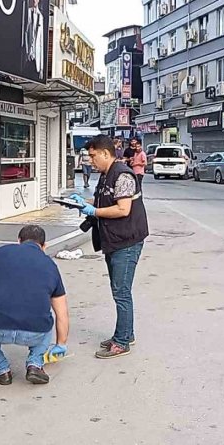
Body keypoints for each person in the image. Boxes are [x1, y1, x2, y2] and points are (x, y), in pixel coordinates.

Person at [70, 135, 148, 359]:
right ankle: (125, 333)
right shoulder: (105, 175)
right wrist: (84, 203)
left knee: (121, 292)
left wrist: (94, 212)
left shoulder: (122, 174)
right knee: (118, 290)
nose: (91, 161)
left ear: (105, 153)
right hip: (113, 240)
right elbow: (106, 201)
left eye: (93, 156)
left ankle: (122, 342)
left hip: (127, 241)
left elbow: (123, 209)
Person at [0, 225, 69, 385]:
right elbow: (62, 314)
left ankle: (1, 370)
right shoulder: (51, 266)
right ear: (44, 246)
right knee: (47, 317)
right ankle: (35, 364)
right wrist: (61, 344)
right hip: (35, 333)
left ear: (19, 241)